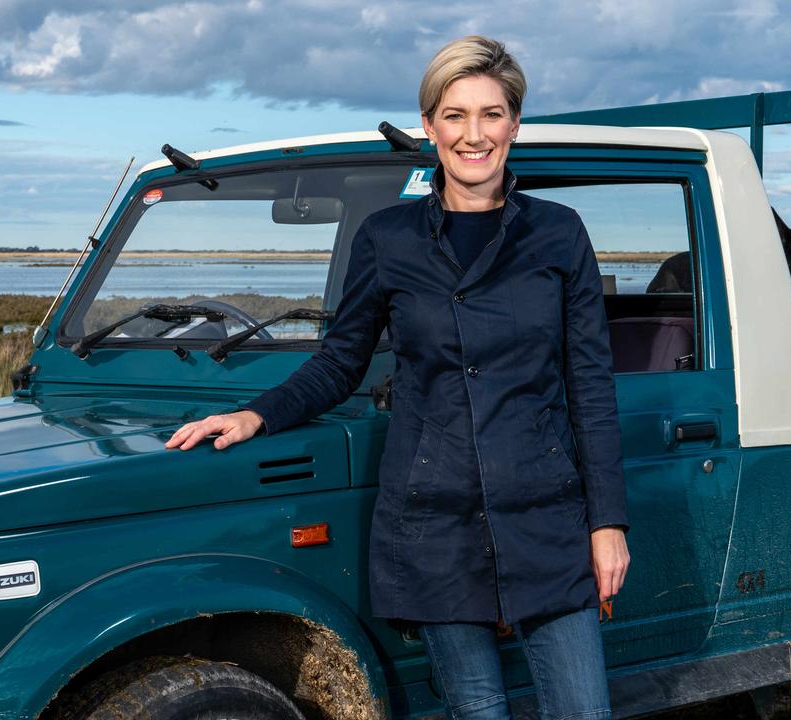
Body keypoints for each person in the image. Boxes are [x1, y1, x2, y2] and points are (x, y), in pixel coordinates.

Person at [166, 35, 630, 720]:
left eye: (492, 114)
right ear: (429, 127)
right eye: (455, 115)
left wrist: (607, 523)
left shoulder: (558, 234)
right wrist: (255, 414)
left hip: (545, 515)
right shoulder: (389, 238)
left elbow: (590, 383)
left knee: (584, 710)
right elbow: (340, 361)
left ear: (515, 124)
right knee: (477, 710)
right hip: (435, 518)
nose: (475, 135)